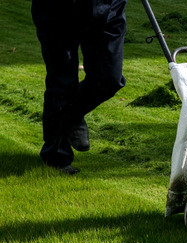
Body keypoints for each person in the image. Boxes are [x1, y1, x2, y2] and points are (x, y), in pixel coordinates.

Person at [31, 0, 127, 175]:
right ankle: (56, 159)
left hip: (107, 7)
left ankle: (72, 115)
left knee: (109, 79)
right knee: (62, 83)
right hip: (56, 11)